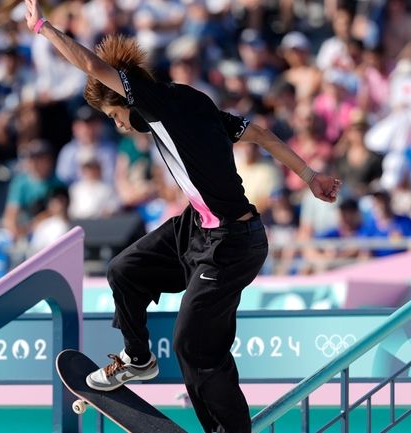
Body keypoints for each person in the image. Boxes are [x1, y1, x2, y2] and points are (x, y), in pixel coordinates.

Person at [23, 2, 341, 432]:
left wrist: (44, 28)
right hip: (198, 228)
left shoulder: (155, 102)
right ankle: (138, 358)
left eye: (115, 116)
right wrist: (309, 175)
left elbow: (89, 63)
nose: (118, 126)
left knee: (194, 345)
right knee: (125, 270)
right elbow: (261, 134)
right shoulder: (193, 101)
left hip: (233, 242)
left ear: (125, 100)